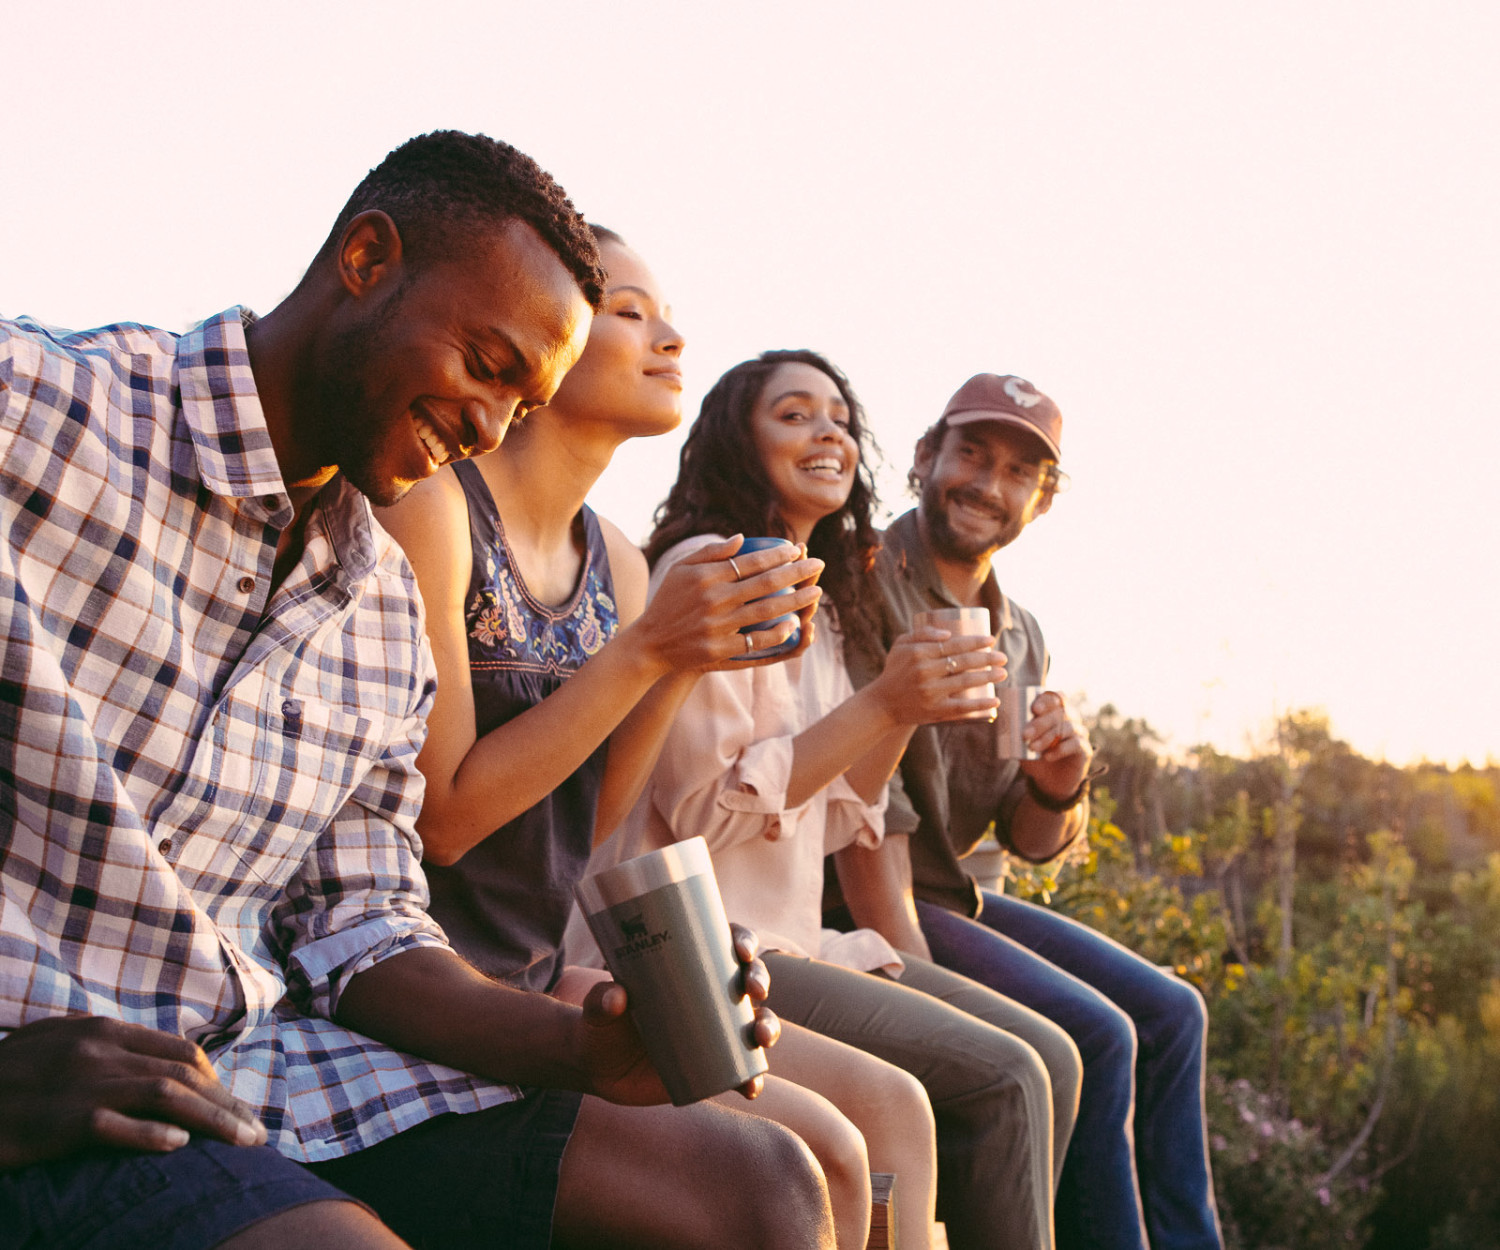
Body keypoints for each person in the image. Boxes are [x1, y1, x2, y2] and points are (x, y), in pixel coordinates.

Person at [0, 132, 834, 1250]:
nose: (490, 426)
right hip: (47, 1069)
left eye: (522, 404)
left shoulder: (383, 597)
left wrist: (588, 1045)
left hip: (254, 1059)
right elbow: (457, 818)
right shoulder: (41, 409)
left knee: (760, 1183)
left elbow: (362, 926)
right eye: (486, 364)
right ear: (366, 260)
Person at [378, 226, 938, 1250]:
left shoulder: (620, 562)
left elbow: (586, 821)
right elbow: (445, 819)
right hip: (427, 977)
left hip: (536, 965)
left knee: (850, 1145)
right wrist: (648, 650)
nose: (670, 338)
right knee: (782, 1175)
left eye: (666, 315)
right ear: (547, 332)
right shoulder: (439, 507)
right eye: (630, 313)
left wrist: (678, 658)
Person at [592, 349, 1087, 1250]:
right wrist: (883, 705)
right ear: (738, 440)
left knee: (1053, 1053)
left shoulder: (821, 600)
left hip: (791, 936)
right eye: (794, 414)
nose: (827, 433)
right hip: (705, 941)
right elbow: (705, 811)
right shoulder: (711, 571)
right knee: (1006, 1073)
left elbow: (839, 817)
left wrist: (902, 709)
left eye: (840, 419)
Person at [833, 373, 1223, 1250]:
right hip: (857, 892)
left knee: (1174, 1013)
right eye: (972, 454)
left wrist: (1059, 783)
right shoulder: (865, 581)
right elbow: (867, 817)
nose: (988, 484)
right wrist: (917, 982)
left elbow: (1028, 838)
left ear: (1042, 501)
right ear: (926, 456)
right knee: (1100, 1034)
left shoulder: (1020, 632)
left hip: (954, 892)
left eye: (1019, 472)